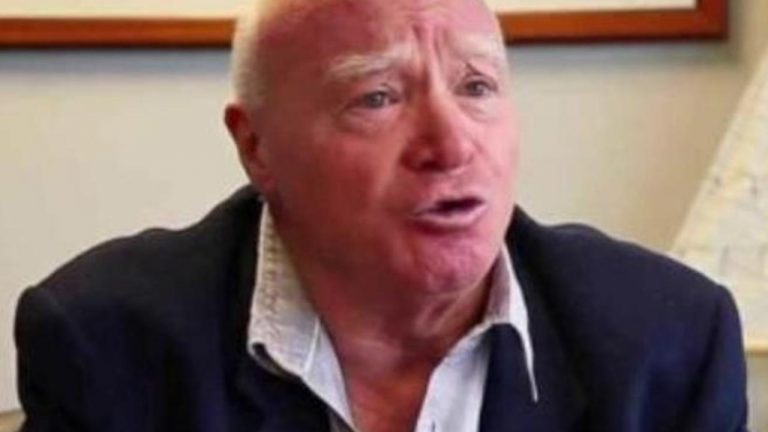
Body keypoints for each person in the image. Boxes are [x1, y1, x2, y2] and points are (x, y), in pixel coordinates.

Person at [14, 0, 748, 431]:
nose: (451, 144)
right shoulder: (108, 344)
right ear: (257, 147)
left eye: (477, 86)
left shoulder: (667, 343)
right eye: (378, 97)